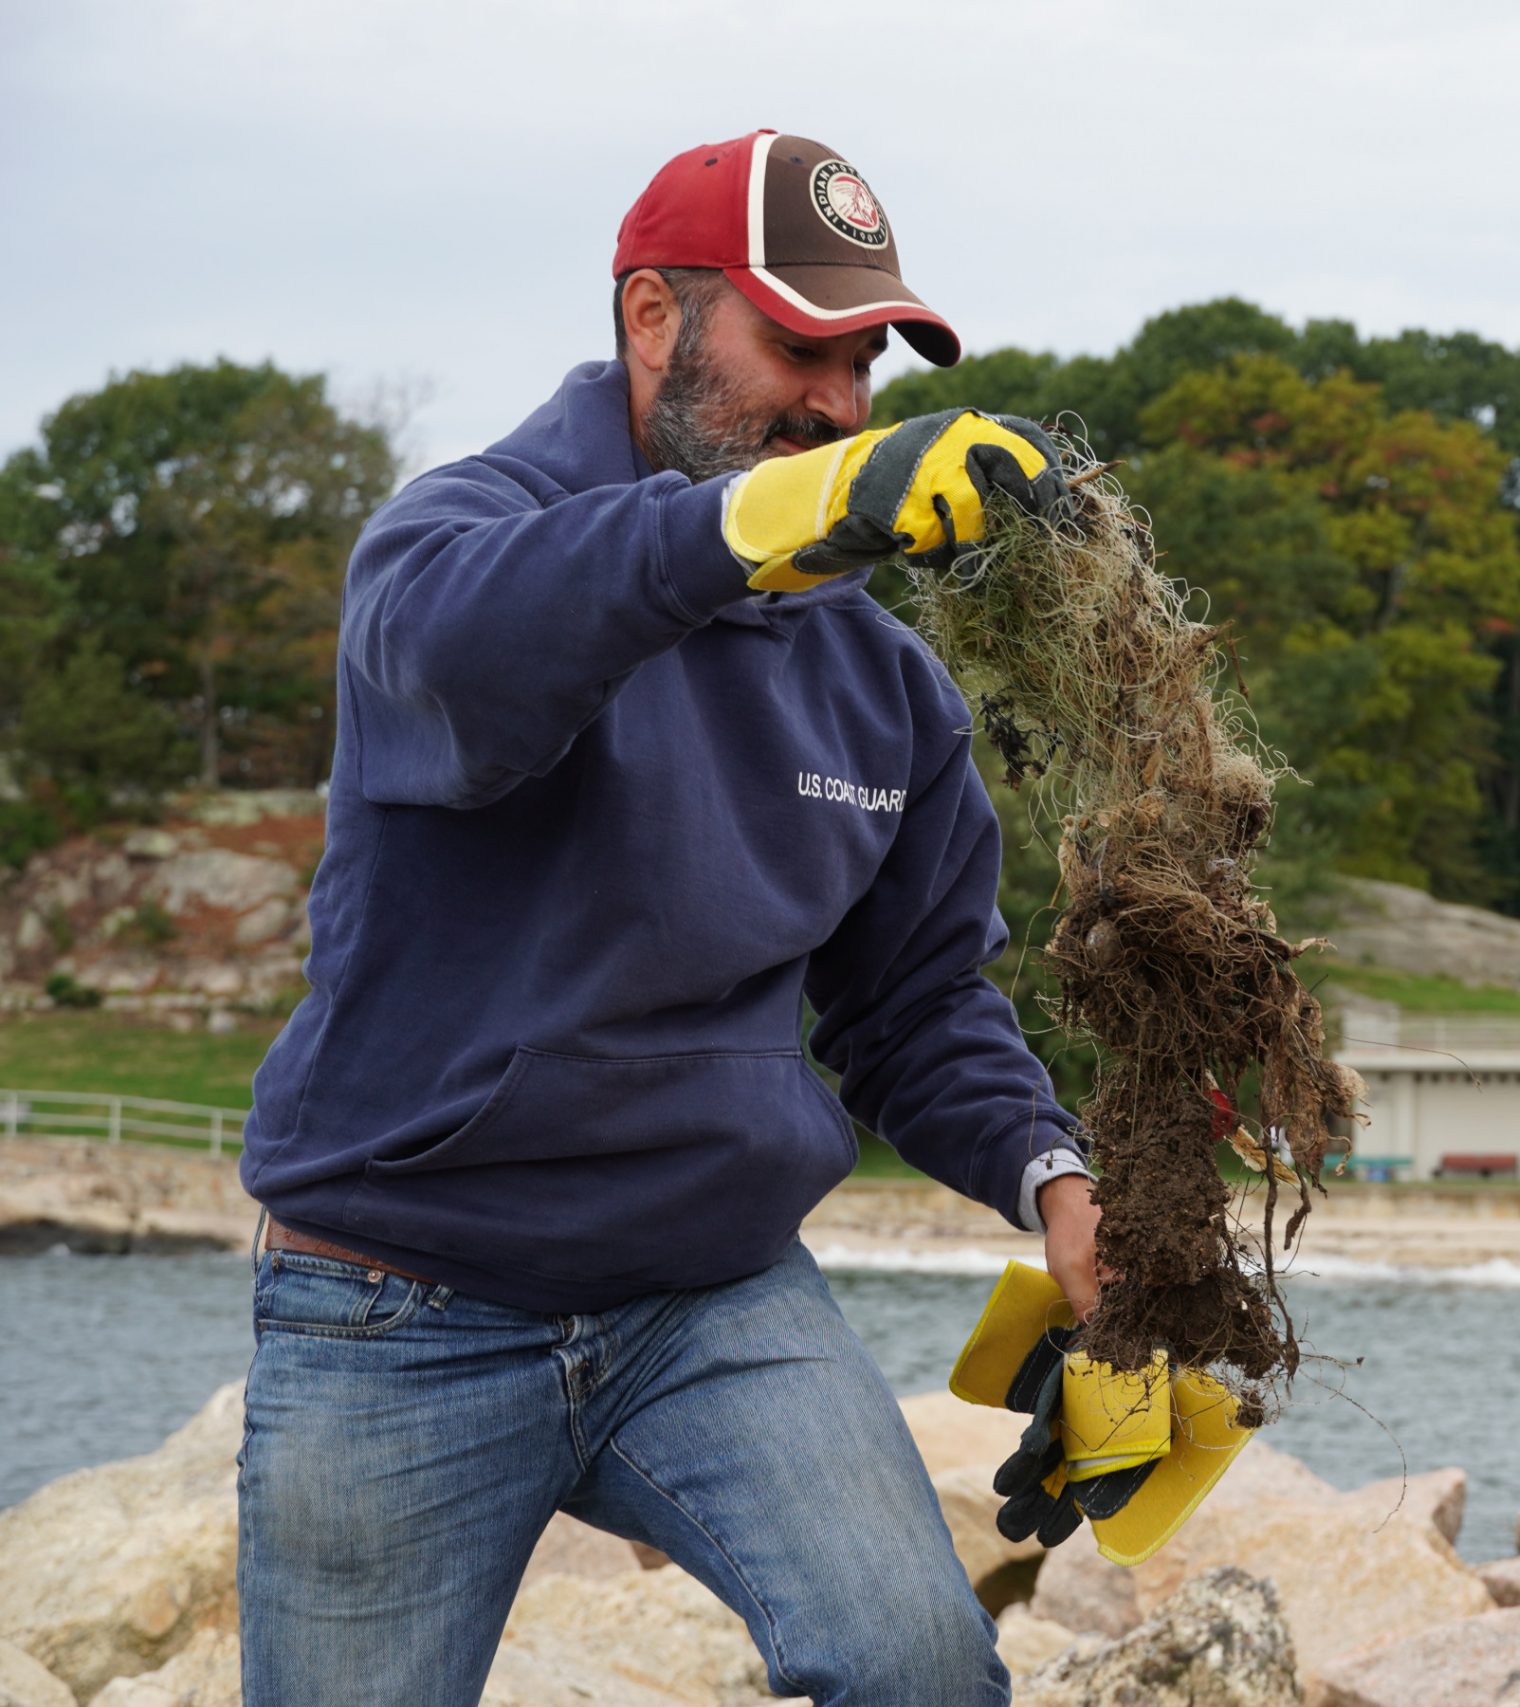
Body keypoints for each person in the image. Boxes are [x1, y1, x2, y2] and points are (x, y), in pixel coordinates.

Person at [233, 129, 1100, 1706]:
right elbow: (465, 658)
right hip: (396, 1296)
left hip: (709, 1295)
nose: (842, 403)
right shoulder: (455, 540)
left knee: (927, 1674)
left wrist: (1061, 1186)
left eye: (864, 364)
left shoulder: (880, 681)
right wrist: (752, 532)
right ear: (653, 321)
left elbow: (917, 1008)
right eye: (800, 347)